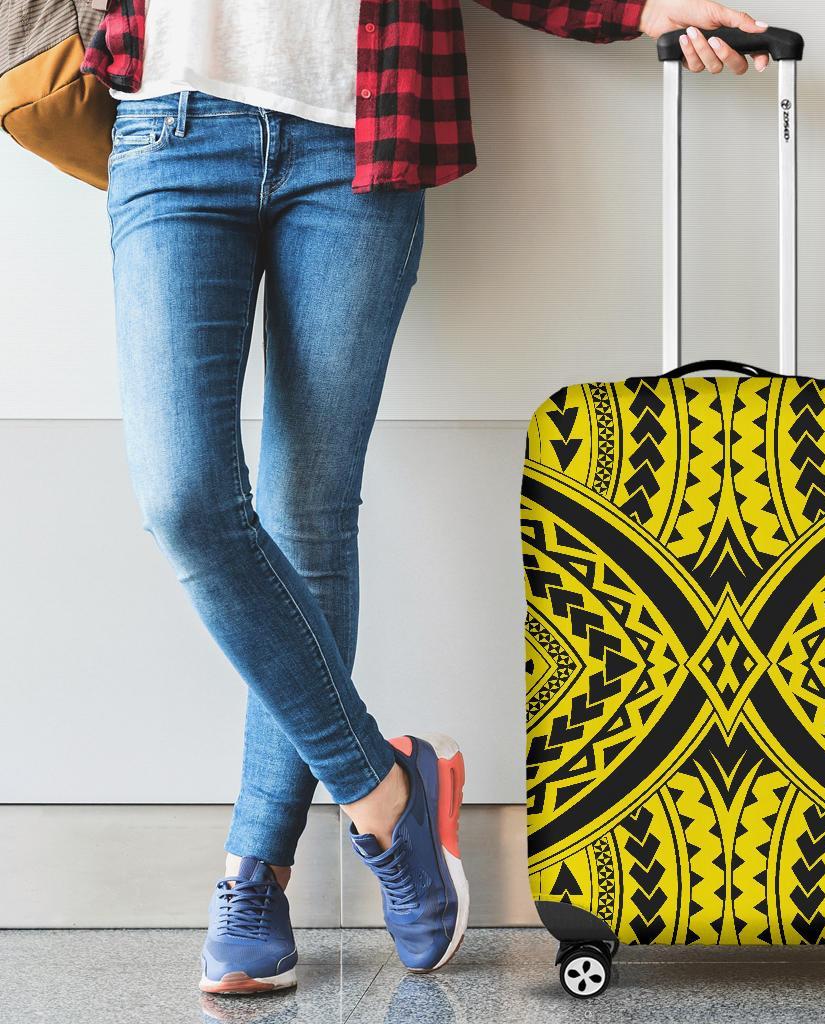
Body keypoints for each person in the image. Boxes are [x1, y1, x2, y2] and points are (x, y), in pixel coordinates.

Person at [80, 0, 771, 996]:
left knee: (308, 509)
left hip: (358, 131)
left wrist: (638, 8)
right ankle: (385, 786)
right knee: (186, 498)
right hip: (170, 123)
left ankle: (255, 874)